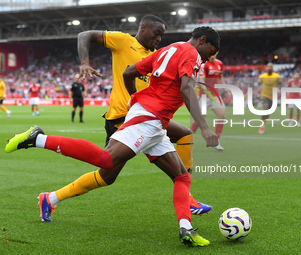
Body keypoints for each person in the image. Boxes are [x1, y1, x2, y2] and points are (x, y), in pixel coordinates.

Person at [5, 26, 220, 246]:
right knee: (106, 161)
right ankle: (37, 138)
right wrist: (203, 127)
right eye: (209, 52)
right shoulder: (191, 53)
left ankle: (186, 229)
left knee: (181, 177)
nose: (207, 59)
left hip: (155, 122)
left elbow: (129, 72)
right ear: (202, 40)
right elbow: (186, 88)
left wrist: (135, 98)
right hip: (148, 118)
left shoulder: (169, 49)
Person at [77, 14, 211, 215]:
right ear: (143, 28)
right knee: (106, 173)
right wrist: (85, 63)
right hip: (122, 116)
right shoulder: (123, 41)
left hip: (147, 117)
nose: (158, 39)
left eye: (161, 36)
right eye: (156, 34)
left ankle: (188, 199)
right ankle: (51, 190)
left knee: (184, 136)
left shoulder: (158, 54)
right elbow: (84, 35)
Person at [190, 51, 225, 151]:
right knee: (200, 118)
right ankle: (188, 137)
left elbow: (220, 77)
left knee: (222, 115)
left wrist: (225, 87)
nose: (213, 54)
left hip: (216, 94)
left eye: (215, 52)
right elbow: (201, 80)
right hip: (205, 95)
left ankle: (216, 142)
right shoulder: (204, 65)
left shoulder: (219, 64)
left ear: (217, 52)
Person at [258, 63, 281, 134]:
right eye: (268, 67)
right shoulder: (262, 76)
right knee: (265, 108)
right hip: (264, 95)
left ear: (272, 68)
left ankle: (264, 123)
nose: (269, 68)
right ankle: (262, 125)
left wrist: (277, 89)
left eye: (271, 67)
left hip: (272, 96)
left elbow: (280, 83)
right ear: (266, 68)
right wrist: (259, 90)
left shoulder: (276, 76)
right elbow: (259, 83)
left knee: (268, 112)